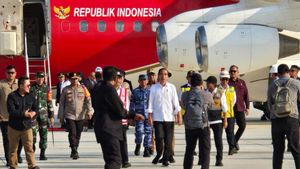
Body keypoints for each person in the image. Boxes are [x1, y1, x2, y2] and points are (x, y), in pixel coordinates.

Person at [93, 66, 144, 169]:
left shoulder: (98, 87)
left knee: (109, 159)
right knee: (115, 160)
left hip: (101, 127)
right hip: (110, 129)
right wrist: (133, 115)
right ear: (115, 78)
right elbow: (120, 110)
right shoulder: (110, 89)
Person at [267, 64, 300, 169]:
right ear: (288, 71)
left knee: (277, 150)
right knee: (296, 149)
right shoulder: (296, 83)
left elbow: (269, 105)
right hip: (292, 118)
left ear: (279, 73)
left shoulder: (272, 85)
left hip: (276, 120)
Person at [148, 68, 182, 166]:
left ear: (167, 76)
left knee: (168, 139)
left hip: (169, 118)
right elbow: (150, 103)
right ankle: (159, 154)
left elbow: (176, 102)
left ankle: (165, 158)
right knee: (159, 137)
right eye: (161, 74)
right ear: (158, 76)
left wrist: (179, 115)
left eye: (165, 74)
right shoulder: (154, 88)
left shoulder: (172, 87)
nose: (163, 76)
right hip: (157, 118)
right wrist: (149, 116)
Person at [58, 72, 94, 160]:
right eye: (73, 79)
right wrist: (61, 116)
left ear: (79, 79)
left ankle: (75, 149)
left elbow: (88, 100)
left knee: (78, 133)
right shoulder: (66, 89)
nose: (75, 80)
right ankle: (74, 150)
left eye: (76, 79)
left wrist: (89, 111)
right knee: (72, 133)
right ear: (70, 80)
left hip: (80, 115)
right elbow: (62, 103)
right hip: (69, 115)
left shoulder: (84, 88)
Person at [7, 77, 40, 169]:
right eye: (27, 85)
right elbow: (11, 111)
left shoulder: (31, 96)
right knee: (13, 149)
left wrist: (34, 112)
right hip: (14, 127)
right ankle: (13, 166)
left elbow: (36, 108)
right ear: (21, 85)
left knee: (29, 148)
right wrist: (24, 114)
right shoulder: (12, 96)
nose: (30, 87)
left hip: (27, 127)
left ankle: (32, 165)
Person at [182, 73, 212, 169]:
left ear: (190, 82)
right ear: (201, 82)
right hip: (203, 126)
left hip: (189, 126)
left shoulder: (185, 94)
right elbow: (211, 106)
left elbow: (183, 105)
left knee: (189, 150)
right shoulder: (207, 94)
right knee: (205, 150)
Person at [0, 65, 23, 166]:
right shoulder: (1, 84)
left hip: (18, 117)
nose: (10, 74)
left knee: (21, 139)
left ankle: (16, 155)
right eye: (9, 73)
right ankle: (9, 159)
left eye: (12, 72)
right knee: (7, 140)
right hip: (4, 117)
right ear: (6, 73)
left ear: (16, 73)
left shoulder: (20, 83)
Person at [30, 72, 54, 160]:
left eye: (42, 77)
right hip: (33, 116)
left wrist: (51, 116)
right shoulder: (31, 88)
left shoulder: (47, 88)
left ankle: (42, 154)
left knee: (44, 135)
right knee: (33, 135)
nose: (40, 79)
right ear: (35, 78)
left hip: (44, 116)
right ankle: (32, 152)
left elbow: (49, 102)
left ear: (44, 78)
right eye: (38, 77)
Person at [205, 76, 227, 166]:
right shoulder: (205, 93)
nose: (206, 84)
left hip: (217, 121)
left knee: (218, 141)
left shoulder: (220, 93)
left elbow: (225, 108)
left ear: (213, 84)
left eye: (208, 83)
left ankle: (219, 160)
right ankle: (203, 159)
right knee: (205, 141)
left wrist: (225, 120)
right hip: (206, 121)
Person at [130, 74, 152, 157]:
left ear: (147, 81)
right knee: (139, 132)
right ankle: (138, 144)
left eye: (145, 80)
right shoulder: (135, 91)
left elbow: (153, 103)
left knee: (148, 132)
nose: (143, 82)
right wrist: (132, 115)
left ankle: (146, 149)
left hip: (148, 115)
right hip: (139, 116)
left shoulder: (151, 91)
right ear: (139, 81)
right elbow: (132, 104)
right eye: (141, 80)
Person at [228, 65, 249, 151]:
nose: (233, 73)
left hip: (240, 108)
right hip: (231, 109)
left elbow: (246, 95)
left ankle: (234, 141)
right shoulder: (227, 83)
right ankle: (232, 146)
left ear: (238, 73)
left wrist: (247, 107)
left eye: (234, 71)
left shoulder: (242, 82)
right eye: (231, 71)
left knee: (242, 126)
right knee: (231, 129)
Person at [115, 69, 131, 168]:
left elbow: (127, 105)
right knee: (113, 142)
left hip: (122, 120)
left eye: (120, 78)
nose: (119, 80)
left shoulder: (125, 91)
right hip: (111, 121)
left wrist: (128, 117)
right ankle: (115, 160)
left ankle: (125, 161)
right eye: (117, 78)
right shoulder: (109, 90)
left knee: (123, 141)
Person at [220, 69, 237, 155]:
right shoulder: (217, 89)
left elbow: (234, 101)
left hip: (230, 114)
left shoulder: (231, 89)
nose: (225, 81)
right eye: (223, 79)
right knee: (219, 134)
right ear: (220, 79)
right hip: (219, 115)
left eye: (227, 79)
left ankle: (231, 147)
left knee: (230, 132)